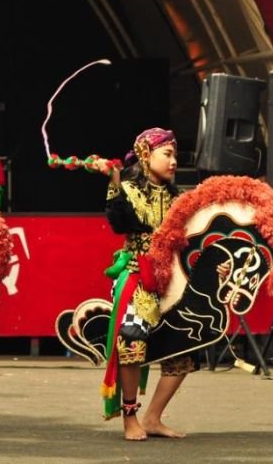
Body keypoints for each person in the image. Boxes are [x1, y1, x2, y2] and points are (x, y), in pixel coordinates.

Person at [91, 127, 189, 441]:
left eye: (175, 154)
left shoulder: (179, 197)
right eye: (168, 154)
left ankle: (153, 417)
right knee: (131, 339)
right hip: (138, 277)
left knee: (186, 352)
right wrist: (116, 183)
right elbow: (121, 223)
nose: (174, 161)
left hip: (172, 281)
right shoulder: (128, 189)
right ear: (147, 155)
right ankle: (130, 416)